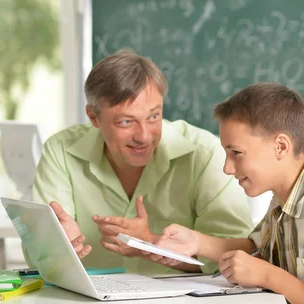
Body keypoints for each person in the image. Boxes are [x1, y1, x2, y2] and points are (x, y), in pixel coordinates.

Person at [32, 49, 254, 274]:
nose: (144, 136)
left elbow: (239, 258)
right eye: (126, 122)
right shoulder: (61, 150)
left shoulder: (204, 153)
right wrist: (57, 247)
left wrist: (149, 243)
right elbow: (41, 255)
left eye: (153, 116)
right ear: (93, 117)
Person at [150, 83, 304, 304]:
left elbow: (265, 268)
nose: (227, 168)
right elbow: (257, 248)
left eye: (236, 152)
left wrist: (267, 275)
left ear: (280, 147)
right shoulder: (282, 198)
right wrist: (197, 242)